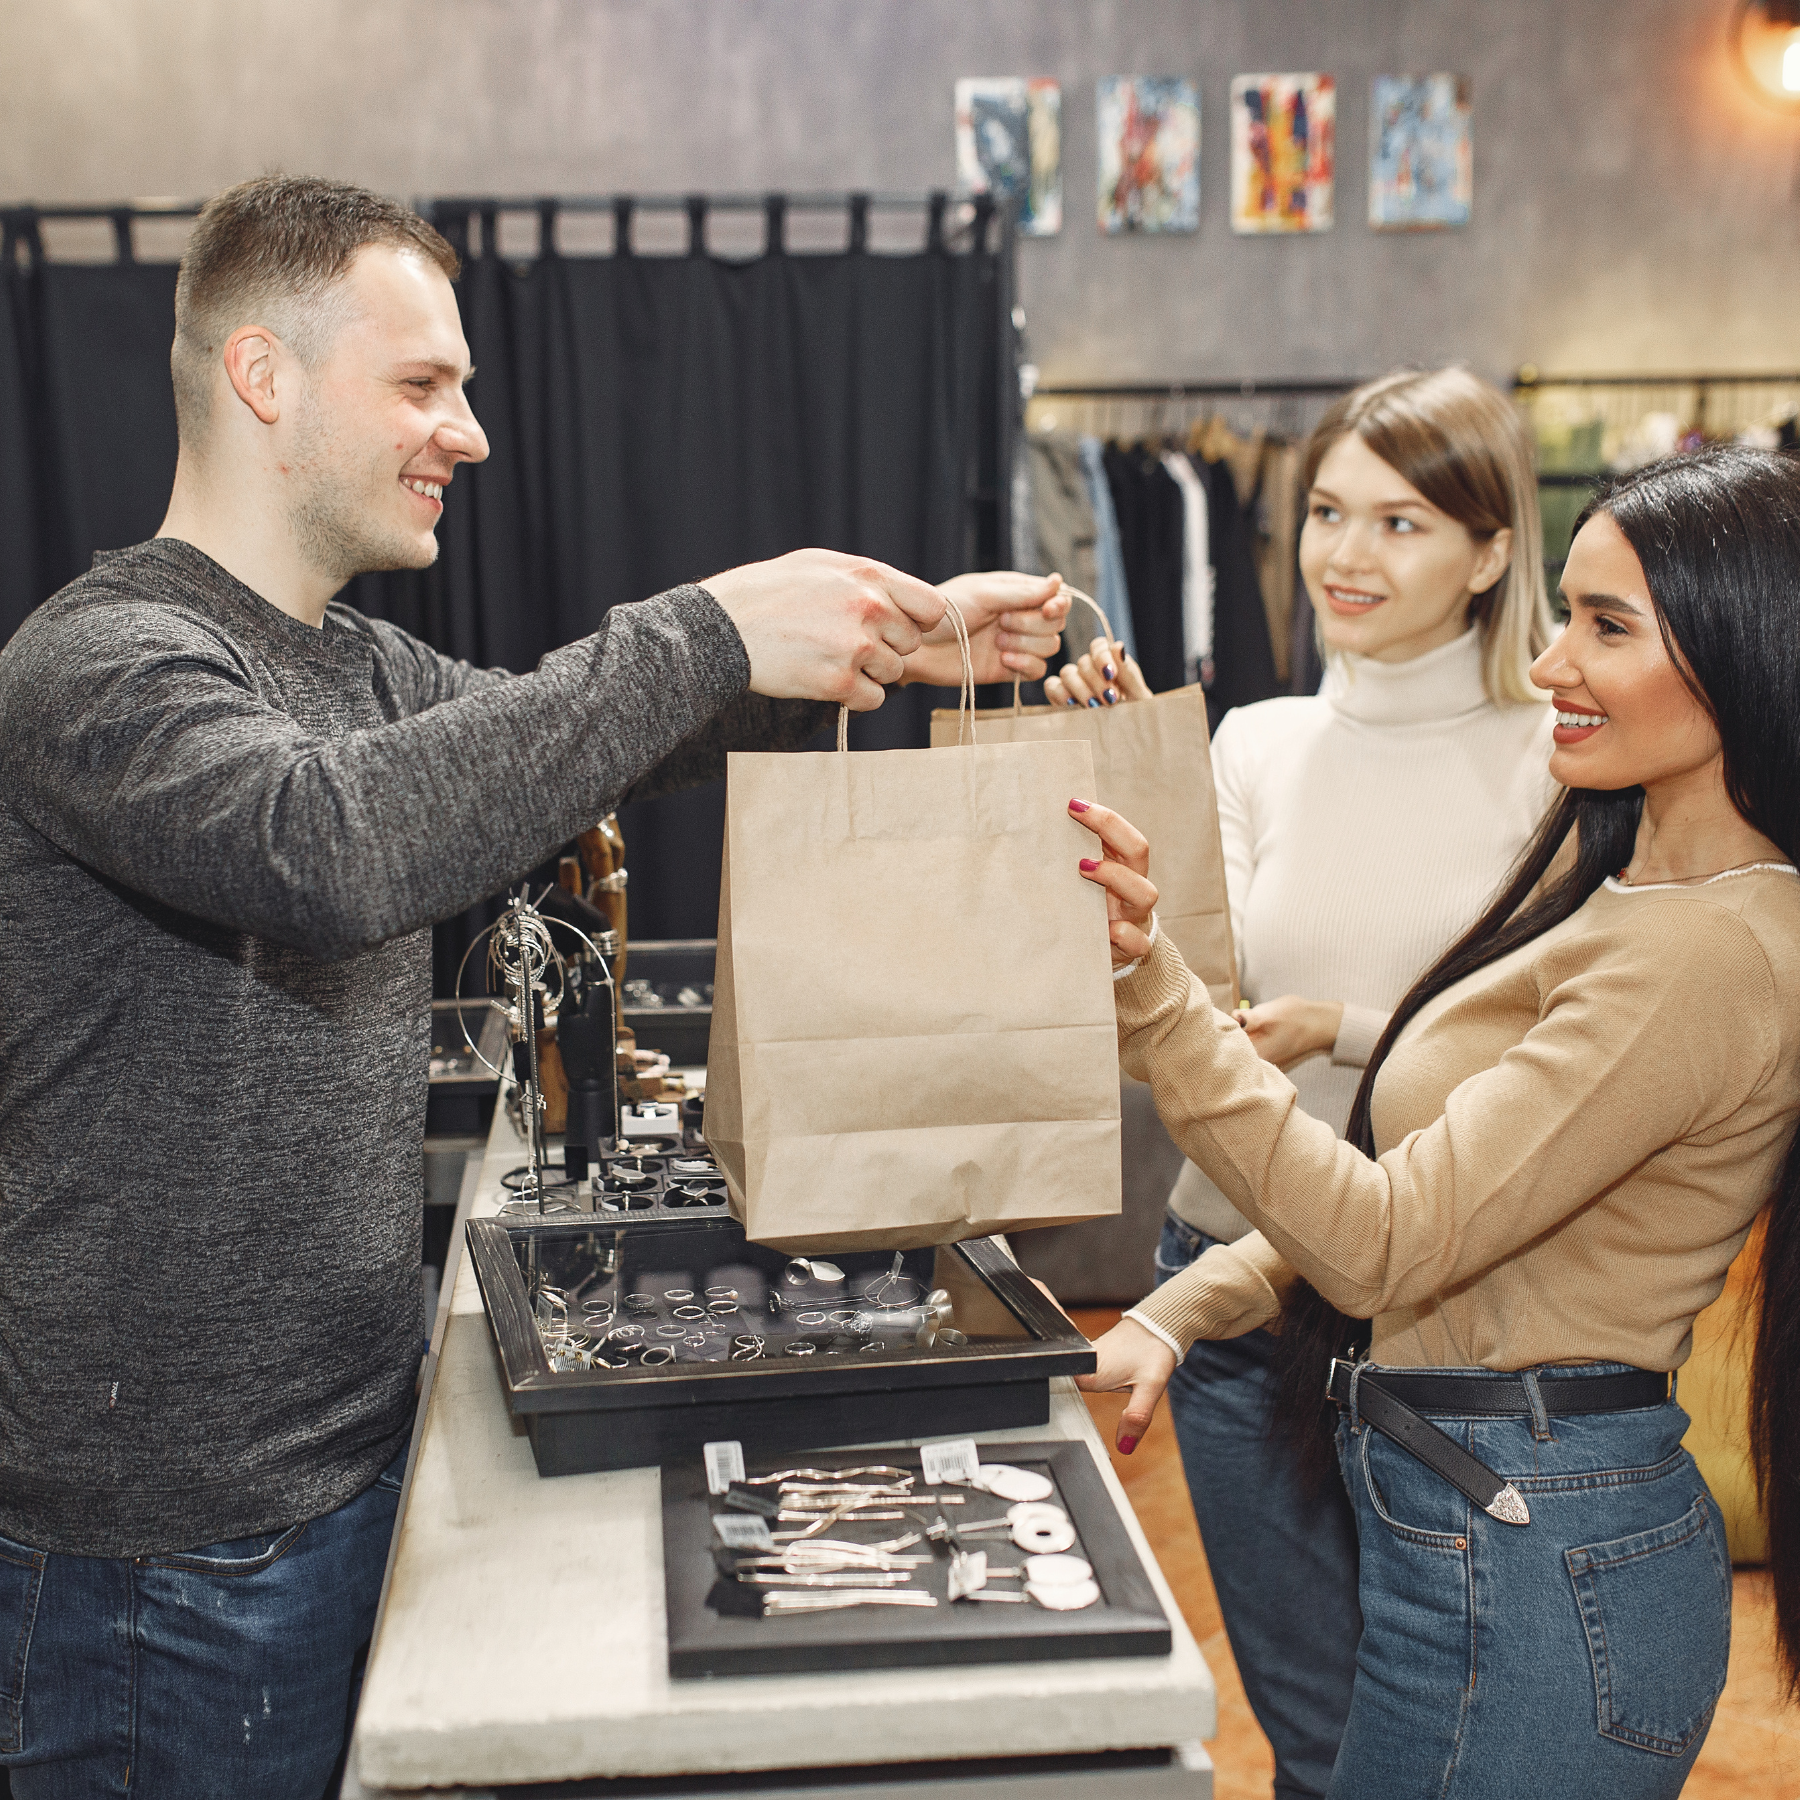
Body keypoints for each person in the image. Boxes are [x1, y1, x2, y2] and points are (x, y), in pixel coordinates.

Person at [0, 175, 1067, 1797]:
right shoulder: (100, 665)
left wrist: (882, 641)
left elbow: (571, 748)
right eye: (425, 385)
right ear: (262, 376)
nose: (471, 433)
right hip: (168, 1562)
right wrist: (703, 627)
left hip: (348, 1471)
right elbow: (331, 845)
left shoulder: (355, 662)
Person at [1068, 442, 1800, 1799]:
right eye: (1567, 615)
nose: (1550, 667)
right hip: (1485, 1526)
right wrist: (1178, 1312)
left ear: (1742, 647)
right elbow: (1443, 1202)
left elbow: (1389, 1246)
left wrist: (1155, 992)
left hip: (1533, 1563)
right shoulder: (1623, 883)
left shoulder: (1713, 952)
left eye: (1606, 627)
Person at [1047, 367, 1555, 1798]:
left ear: (1493, 550)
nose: (1345, 554)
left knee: (1432, 1733)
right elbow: (1178, 1020)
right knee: (1309, 1735)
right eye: (1330, 512)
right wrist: (1129, 770)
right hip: (1228, 1281)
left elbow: (1550, 1046)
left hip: (1438, 1301)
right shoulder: (1255, 740)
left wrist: (1345, 1026)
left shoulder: (1553, 761)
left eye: (1401, 523)